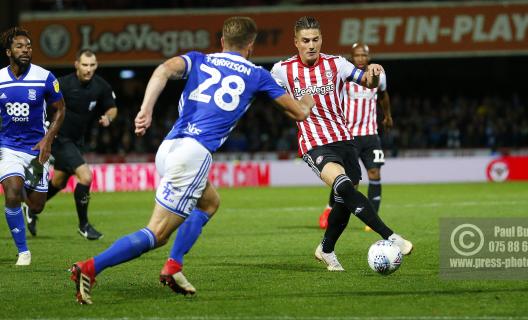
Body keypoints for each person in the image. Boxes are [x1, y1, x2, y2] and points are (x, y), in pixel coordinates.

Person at [70, 16, 314, 304]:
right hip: (194, 155)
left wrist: (146, 110)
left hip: (170, 146)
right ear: (251, 45)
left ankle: (173, 266)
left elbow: (162, 70)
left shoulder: (199, 59)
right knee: (156, 233)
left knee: (210, 202)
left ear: (222, 41)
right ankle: (89, 268)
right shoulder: (257, 74)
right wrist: (307, 100)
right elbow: (298, 113)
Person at [270, 16, 412, 271]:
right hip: (314, 143)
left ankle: (326, 249)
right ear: (296, 42)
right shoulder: (282, 69)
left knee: (344, 199)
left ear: (321, 39)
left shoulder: (337, 64)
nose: (311, 45)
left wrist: (373, 73)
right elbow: (273, 99)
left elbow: (367, 83)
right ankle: (391, 237)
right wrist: (297, 108)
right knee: (344, 186)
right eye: (305, 41)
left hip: (345, 140)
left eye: (315, 39)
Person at [23, 50, 117, 240]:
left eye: (92, 65)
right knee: (86, 177)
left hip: (76, 140)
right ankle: (84, 225)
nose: (88, 69)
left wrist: (108, 117)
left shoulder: (100, 86)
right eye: (84, 65)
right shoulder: (63, 84)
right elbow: (40, 102)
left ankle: (31, 207)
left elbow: (112, 107)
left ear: (96, 65)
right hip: (59, 138)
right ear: (76, 65)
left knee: (59, 181)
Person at [0, 27, 65, 265]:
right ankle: (23, 252)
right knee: (12, 192)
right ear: (9, 51)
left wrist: (48, 139)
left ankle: (28, 197)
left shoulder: (45, 77)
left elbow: (60, 109)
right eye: (19, 46)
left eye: (28, 46)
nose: (25, 50)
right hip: (7, 148)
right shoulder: (0, 80)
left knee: (37, 206)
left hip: (37, 149)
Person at [318, 42, 393, 231]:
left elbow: (383, 95)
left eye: (364, 55)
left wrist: (388, 116)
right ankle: (329, 208)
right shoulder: (346, 74)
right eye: (357, 55)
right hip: (348, 135)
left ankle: (372, 216)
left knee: (375, 173)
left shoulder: (378, 75)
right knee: (346, 179)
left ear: (368, 56)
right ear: (352, 57)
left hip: (370, 135)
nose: (361, 59)